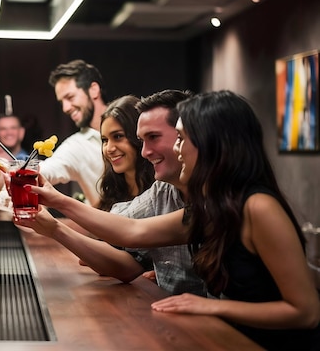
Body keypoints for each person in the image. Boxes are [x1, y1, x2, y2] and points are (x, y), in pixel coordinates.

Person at [18, 90, 320, 349]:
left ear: (212, 144)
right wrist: (56, 201)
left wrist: (211, 306)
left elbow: (306, 312)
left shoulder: (258, 206)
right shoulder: (211, 206)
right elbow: (133, 231)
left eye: (183, 139)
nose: (176, 149)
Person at [21, 90, 206, 296]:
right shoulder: (161, 190)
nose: (145, 151)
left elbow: (132, 231)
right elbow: (119, 234)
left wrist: (59, 204)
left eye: (153, 137)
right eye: (104, 140)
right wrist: (55, 227)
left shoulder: (216, 200)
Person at [43, 59, 108, 207]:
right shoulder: (76, 145)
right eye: (62, 102)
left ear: (93, 90)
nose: (65, 108)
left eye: (70, 97)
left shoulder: (135, 126)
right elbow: (47, 170)